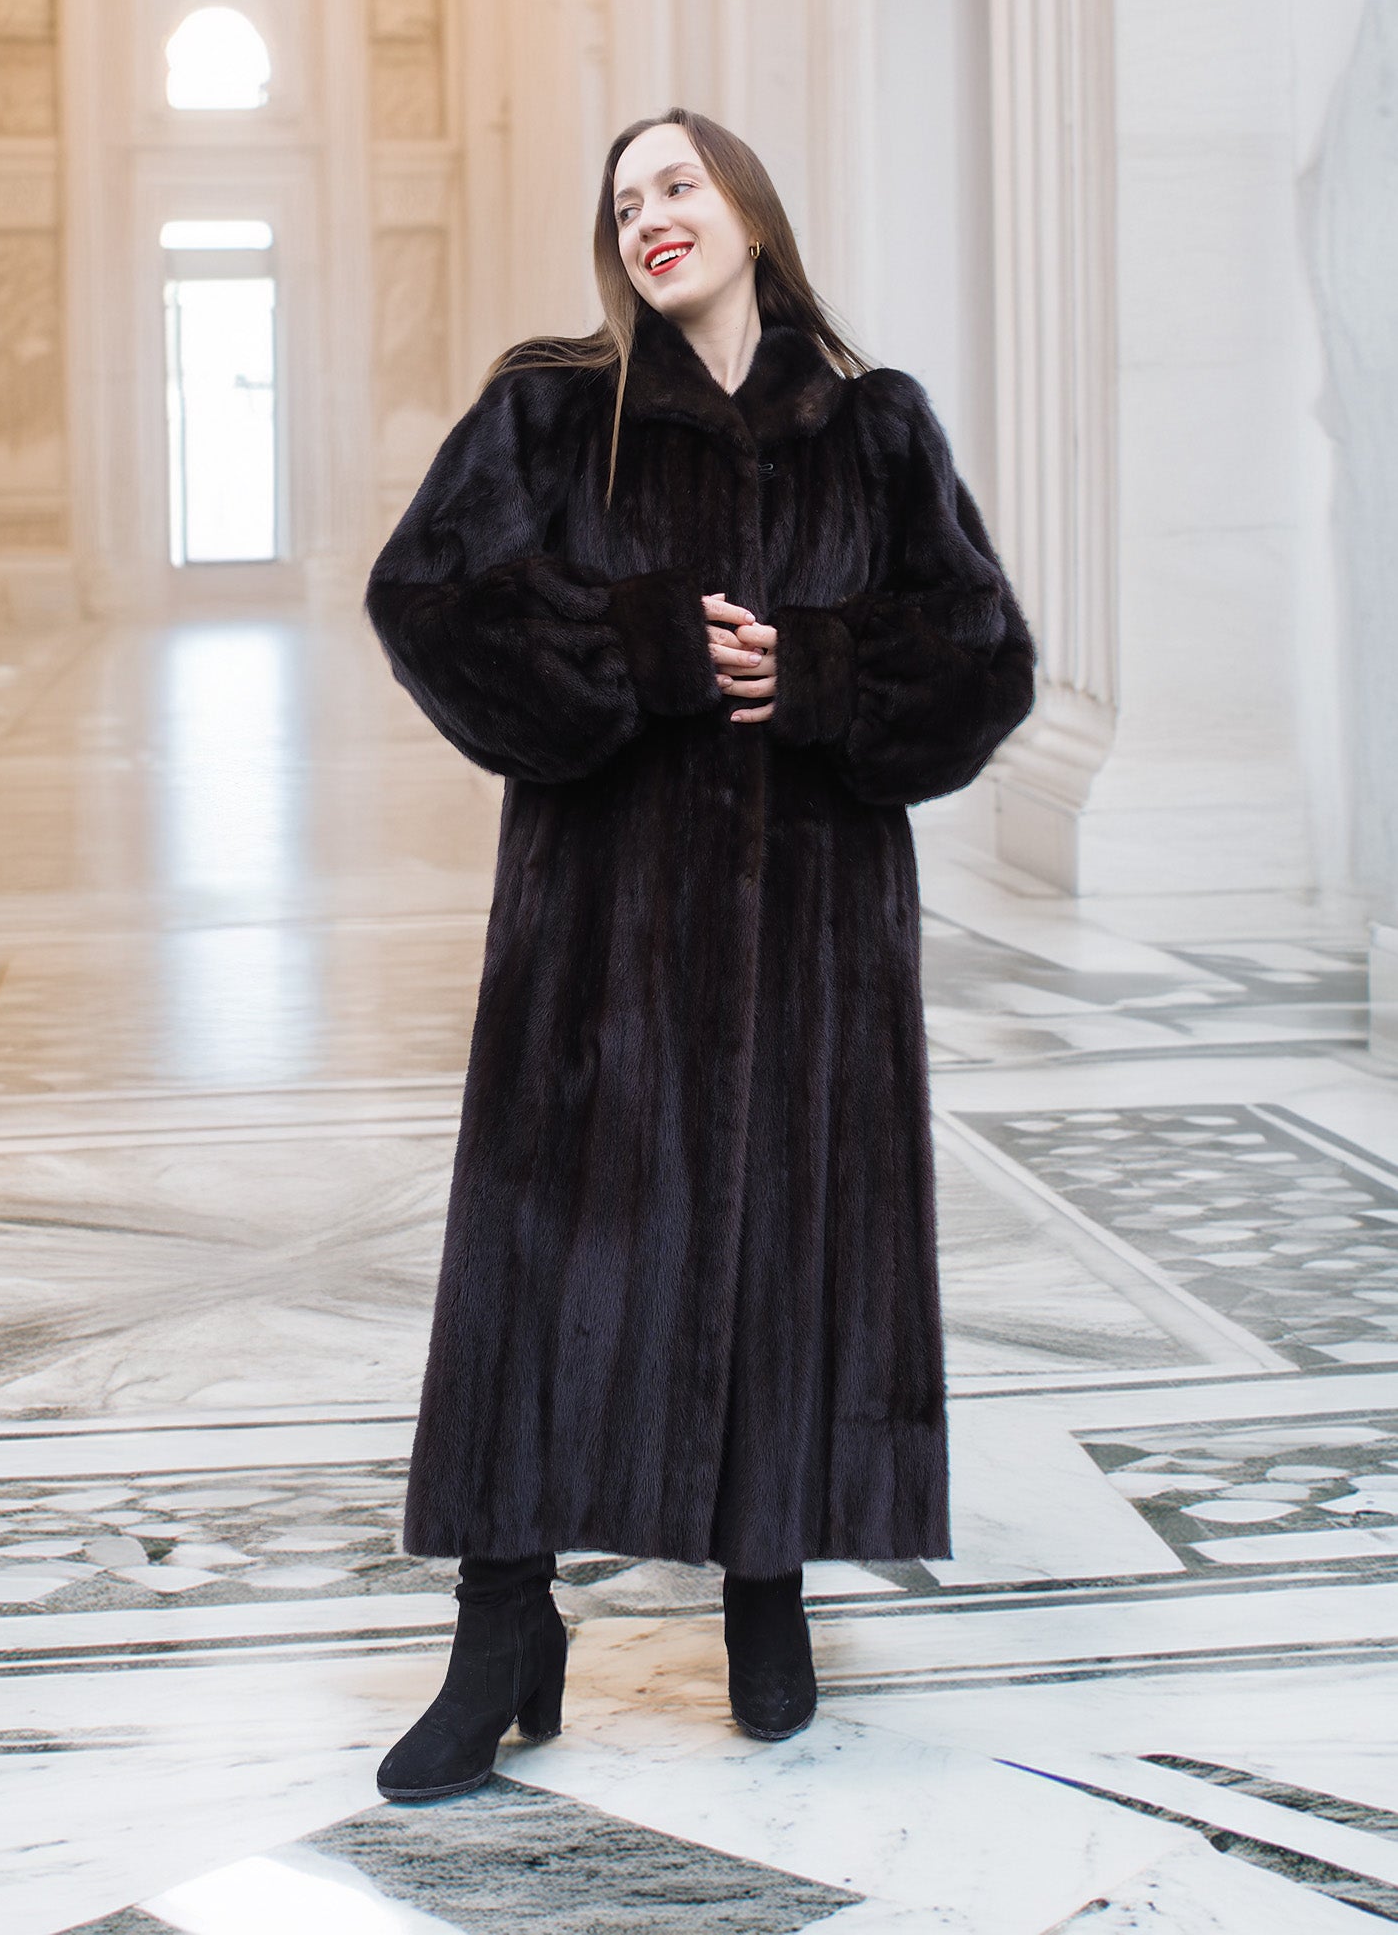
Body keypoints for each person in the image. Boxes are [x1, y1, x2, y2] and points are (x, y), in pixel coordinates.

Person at [363, 107, 1036, 1802]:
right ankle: (503, 1626)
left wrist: (813, 674)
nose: (650, 217)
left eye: (676, 184)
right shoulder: (550, 411)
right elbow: (424, 601)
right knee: (542, 1256)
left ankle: (768, 1587)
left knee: (794, 1238)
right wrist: (644, 645)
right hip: (596, 943)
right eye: (623, 201)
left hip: (816, 947)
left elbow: (984, 654)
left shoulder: (877, 428)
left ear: (745, 198)